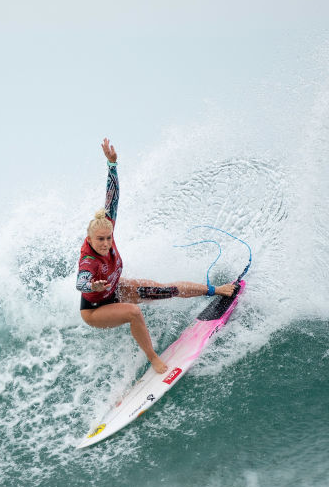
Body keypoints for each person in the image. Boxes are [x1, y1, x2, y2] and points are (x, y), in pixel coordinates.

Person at [76, 138, 236, 374]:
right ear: (90, 239)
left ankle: (214, 290)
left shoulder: (106, 226)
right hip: (94, 309)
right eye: (100, 240)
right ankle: (153, 359)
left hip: (115, 290)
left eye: (108, 238)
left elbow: (113, 198)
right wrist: (90, 284)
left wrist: (112, 165)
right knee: (133, 312)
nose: (106, 243)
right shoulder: (88, 260)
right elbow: (80, 281)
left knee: (165, 290)